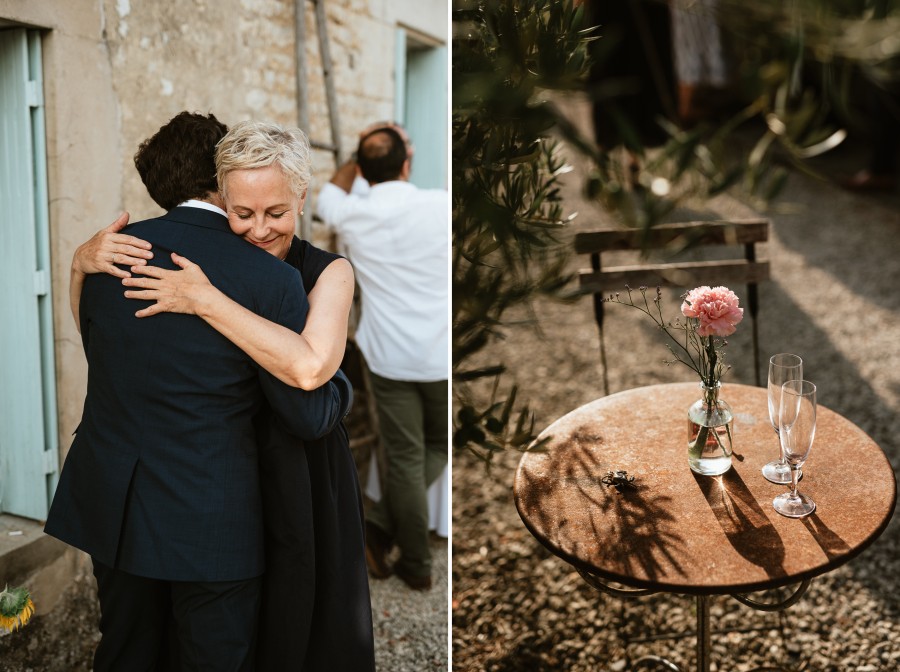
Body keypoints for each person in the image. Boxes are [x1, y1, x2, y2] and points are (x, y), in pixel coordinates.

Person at [45, 112, 352, 672]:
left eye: (275, 211)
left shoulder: (109, 254)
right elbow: (307, 398)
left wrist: (77, 266)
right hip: (210, 510)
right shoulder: (270, 278)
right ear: (223, 181)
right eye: (245, 209)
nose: (259, 227)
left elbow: (99, 349)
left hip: (113, 499)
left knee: (124, 649)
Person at [316, 123, 449, 591]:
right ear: (407, 163)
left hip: (389, 356)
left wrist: (359, 153)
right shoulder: (439, 203)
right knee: (435, 448)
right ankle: (414, 562)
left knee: (409, 457)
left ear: (363, 170)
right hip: (438, 355)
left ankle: (379, 528)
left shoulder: (350, 212)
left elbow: (327, 194)